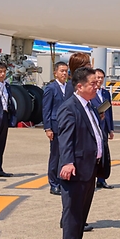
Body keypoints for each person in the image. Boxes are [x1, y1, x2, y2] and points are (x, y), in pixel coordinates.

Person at [56, 66, 107, 239]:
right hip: (76, 168)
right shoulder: (69, 107)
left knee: (82, 212)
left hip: (89, 167)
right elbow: (66, 138)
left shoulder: (90, 106)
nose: (96, 87)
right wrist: (68, 162)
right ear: (79, 86)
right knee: (73, 212)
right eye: (92, 84)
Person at [42, 61, 73, 194]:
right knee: (55, 155)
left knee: (65, 155)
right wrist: (47, 128)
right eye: (62, 71)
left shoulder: (69, 87)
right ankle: (53, 183)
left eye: (66, 71)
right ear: (55, 72)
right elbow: (46, 109)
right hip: (55, 126)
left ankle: (62, 181)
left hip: (67, 126)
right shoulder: (51, 88)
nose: (64, 73)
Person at [93, 67, 115, 190]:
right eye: (97, 77)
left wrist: (111, 129)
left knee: (104, 154)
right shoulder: (90, 92)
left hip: (104, 128)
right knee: (95, 153)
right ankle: (92, 178)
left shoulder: (106, 93)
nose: (99, 80)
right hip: (95, 126)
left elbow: (110, 112)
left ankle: (101, 179)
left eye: (101, 78)